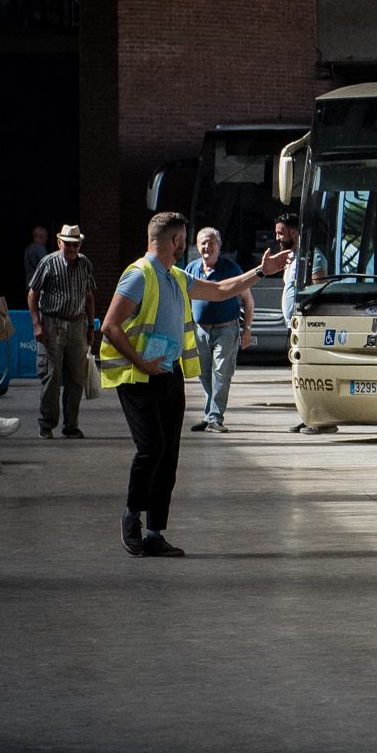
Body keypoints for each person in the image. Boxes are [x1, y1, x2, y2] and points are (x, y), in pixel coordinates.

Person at [98, 210, 287, 557]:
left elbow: (219, 290)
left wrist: (261, 272)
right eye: (184, 238)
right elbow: (109, 326)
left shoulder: (175, 276)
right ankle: (131, 518)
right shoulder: (138, 276)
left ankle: (155, 532)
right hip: (139, 378)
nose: (186, 244)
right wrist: (141, 361)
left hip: (168, 376)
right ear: (175, 241)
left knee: (168, 456)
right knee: (151, 449)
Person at [28, 223, 98, 439]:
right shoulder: (48, 263)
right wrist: (37, 324)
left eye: (75, 244)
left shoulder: (85, 263)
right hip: (53, 323)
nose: (71, 248)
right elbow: (33, 294)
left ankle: (71, 425)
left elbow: (88, 296)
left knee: (76, 376)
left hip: (77, 324)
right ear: (59, 243)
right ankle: (46, 424)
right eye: (67, 244)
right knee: (51, 375)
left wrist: (90, 326)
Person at [186, 225, 254, 433]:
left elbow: (248, 301)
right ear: (197, 247)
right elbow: (184, 300)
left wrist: (247, 329)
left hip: (226, 329)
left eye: (211, 242)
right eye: (203, 242)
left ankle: (216, 418)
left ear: (219, 246)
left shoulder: (231, 269)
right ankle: (209, 416)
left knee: (221, 373)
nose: (207, 246)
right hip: (200, 330)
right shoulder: (191, 269)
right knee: (204, 373)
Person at [279, 211, 336, 436]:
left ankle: (321, 418)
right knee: (298, 373)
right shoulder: (293, 258)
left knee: (309, 372)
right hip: (293, 325)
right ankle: (307, 415)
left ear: (294, 232)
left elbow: (318, 287)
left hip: (306, 324)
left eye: (280, 233)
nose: (277, 238)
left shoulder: (313, 257)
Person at [22, 225, 50, 294]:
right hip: (38, 288)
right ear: (40, 237)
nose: (47, 238)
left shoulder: (28, 249)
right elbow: (46, 267)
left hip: (29, 286)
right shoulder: (40, 248)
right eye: (45, 236)